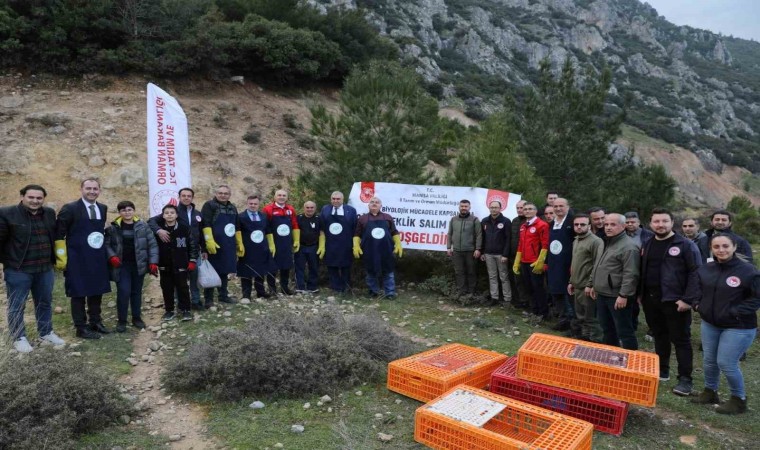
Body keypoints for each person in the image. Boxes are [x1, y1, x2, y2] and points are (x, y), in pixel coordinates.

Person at [691, 233, 760, 414]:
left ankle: (739, 400)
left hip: (739, 326)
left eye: (725, 246)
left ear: (734, 247)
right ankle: (710, 392)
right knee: (709, 360)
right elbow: (697, 288)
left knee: (727, 363)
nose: (721, 250)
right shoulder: (706, 268)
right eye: (716, 247)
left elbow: (756, 298)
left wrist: (735, 311)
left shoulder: (748, 271)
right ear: (711, 249)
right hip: (710, 323)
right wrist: (698, 303)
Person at [640, 208, 701, 395]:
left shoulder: (685, 245)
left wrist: (687, 299)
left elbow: (696, 273)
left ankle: (685, 380)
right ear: (651, 224)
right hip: (651, 300)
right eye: (656, 221)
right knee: (660, 335)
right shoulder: (648, 242)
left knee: (681, 340)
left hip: (676, 301)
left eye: (664, 221)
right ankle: (662, 370)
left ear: (672, 222)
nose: (660, 225)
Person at [0, 184, 65, 352]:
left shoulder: (49, 213)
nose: (35, 201)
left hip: (44, 269)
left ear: (43, 199)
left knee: (44, 302)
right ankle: (18, 337)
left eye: (39, 198)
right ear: (22, 197)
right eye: (31, 197)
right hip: (18, 270)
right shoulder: (7, 213)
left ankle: (46, 332)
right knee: (17, 305)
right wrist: (9, 263)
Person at [55, 177, 111, 339]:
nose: (92, 191)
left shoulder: (103, 207)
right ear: (81, 189)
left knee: (97, 290)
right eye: (89, 188)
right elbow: (59, 234)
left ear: (99, 190)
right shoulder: (70, 208)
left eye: (95, 189)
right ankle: (81, 327)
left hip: (97, 258)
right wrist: (61, 259)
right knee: (78, 293)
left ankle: (95, 321)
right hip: (76, 258)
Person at [105, 201, 158, 332]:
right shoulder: (113, 228)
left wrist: (153, 262)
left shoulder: (143, 226)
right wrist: (112, 256)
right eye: (123, 210)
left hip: (138, 265)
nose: (127, 212)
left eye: (129, 209)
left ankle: (136, 318)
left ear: (133, 211)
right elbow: (106, 245)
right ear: (119, 213)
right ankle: (122, 321)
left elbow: (152, 245)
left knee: (136, 292)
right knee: (123, 292)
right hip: (121, 266)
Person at [149, 187, 205, 310]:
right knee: (177, 280)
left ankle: (195, 301)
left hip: (194, 250)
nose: (186, 198)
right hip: (177, 252)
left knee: (194, 277)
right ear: (179, 197)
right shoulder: (172, 211)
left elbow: (201, 232)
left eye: (189, 196)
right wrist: (158, 230)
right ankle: (179, 303)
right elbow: (151, 221)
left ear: (192, 198)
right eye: (183, 195)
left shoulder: (197, 213)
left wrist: (204, 249)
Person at [589, 213, 639, 350]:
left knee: (624, 331)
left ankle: (632, 361)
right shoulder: (606, 242)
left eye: (613, 224)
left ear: (623, 226)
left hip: (617, 296)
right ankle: (611, 356)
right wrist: (594, 284)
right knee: (607, 329)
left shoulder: (629, 247)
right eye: (606, 224)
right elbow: (600, 266)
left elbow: (631, 274)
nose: (608, 227)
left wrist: (623, 295)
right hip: (602, 294)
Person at [201, 184, 243, 306]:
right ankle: (208, 299)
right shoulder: (209, 205)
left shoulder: (232, 207)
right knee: (211, 272)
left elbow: (237, 226)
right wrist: (209, 241)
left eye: (226, 193)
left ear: (229, 195)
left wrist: (239, 242)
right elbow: (205, 223)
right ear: (216, 194)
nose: (223, 195)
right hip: (214, 245)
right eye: (220, 193)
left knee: (224, 271)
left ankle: (223, 295)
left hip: (228, 245)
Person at [156, 204, 199, 322]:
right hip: (164, 265)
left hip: (181, 264)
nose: (169, 215)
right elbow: (153, 247)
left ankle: (186, 310)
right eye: (167, 213)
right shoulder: (159, 231)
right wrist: (154, 262)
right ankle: (169, 310)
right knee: (167, 288)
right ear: (163, 215)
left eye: (172, 212)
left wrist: (192, 260)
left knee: (183, 287)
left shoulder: (184, 228)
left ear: (176, 215)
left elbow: (192, 245)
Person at [354, 197, 402, 298]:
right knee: (370, 271)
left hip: (386, 249)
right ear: (368, 205)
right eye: (372, 202)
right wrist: (356, 246)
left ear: (381, 205)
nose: (374, 204)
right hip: (369, 249)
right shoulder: (362, 218)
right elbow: (357, 234)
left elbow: (394, 232)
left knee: (388, 271)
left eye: (377, 202)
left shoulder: (387, 217)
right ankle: (373, 291)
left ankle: (390, 292)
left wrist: (398, 244)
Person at [567, 213, 603, 342]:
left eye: (582, 224)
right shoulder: (576, 240)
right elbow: (575, 263)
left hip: (587, 287)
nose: (579, 227)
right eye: (576, 224)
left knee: (591, 318)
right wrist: (571, 281)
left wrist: (590, 284)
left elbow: (597, 265)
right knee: (581, 316)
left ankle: (596, 343)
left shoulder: (596, 242)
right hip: (577, 285)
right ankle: (585, 340)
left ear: (589, 226)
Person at [513, 202, 550, 319]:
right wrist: (517, 261)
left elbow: (545, 244)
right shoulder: (523, 226)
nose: (527, 211)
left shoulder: (542, 225)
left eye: (530, 209)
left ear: (535, 211)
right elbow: (520, 244)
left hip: (535, 262)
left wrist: (541, 262)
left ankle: (544, 313)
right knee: (528, 287)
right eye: (525, 209)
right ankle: (534, 310)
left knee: (538, 288)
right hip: (524, 261)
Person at [237, 195, 276, 300]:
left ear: (259, 205)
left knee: (261, 271)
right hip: (247, 249)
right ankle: (246, 294)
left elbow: (268, 231)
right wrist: (239, 245)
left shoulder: (263, 216)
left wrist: (271, 245)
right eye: (251, 203)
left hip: (262, 248)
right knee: (246, 272)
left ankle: (261, 292)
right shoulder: (240, 217)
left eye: (255, 204)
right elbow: (238, 232)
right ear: (247, 203)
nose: (253, 206)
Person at [262, 190, 300, 295]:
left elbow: (295, 224)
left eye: (284, 195)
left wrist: (296, 240)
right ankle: (272, 289)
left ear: (287, 198)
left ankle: (284, 288)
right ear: (275, 197)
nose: (281, 197)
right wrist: (269, 242)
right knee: (272, 266)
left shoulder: (290, 209)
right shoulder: (268, 209)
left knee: (286, 266)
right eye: (279, 195)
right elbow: (265, 227)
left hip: (287, 242)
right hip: (273, 243)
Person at [319, 191, 357, 293]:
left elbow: (355, 228)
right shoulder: (325, 209)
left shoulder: (351, 210)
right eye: (333, 199)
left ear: (342, 199)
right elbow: (322, 227)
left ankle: (346, 288)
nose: (335, 201)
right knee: (331, 266)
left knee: (346, 267)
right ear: (331, 199)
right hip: (330, 243)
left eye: (338, 199)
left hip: (346, 243)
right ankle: (336, 288)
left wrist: (355, 245)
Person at [547, 198, 574, 331]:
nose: (558, 208)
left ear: (567, 207)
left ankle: (572, 322)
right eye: (555, 206)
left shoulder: (573, 222)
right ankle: (562, 319)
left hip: (568, 262)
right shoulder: (552, 223)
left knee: (568, 293)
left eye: (561, 206)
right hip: (554, 262)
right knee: (556, 290)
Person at [447, 200, 482, 298]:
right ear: (459, 207)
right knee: (459, 272)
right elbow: (450, 234)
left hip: (470, 250)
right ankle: (461, 291)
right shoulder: (453, 219)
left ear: (469, 207)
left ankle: (471, 292)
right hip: (457, 251)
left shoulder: (475, 220)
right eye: (462, 206)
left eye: (466, 206)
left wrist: (478, 248)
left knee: (471, 271)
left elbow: (479, 234)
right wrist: (449, 247)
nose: (464, 208)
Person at [480, 200, 512, 304]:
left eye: (496, 207)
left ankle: (507, 298)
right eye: (492, 207)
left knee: (504, 277)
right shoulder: (485, 221)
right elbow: (483, 238)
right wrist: (482, 252)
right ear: (489, 208)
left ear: (500, 208)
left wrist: (505, 254)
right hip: (488, 254)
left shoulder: (506, 221)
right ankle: (494, 297)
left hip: (501, 255)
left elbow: (508, 239)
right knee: (492, 276)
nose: (493, 209)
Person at [295, 201, 322, 294]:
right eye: (307, 207)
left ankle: (312, 287)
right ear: (304, 208)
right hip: (301, 247)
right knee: (299, 267)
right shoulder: (299, 218)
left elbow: (322, 232)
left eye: (312, 207)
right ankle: (300, 287)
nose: (309, 209)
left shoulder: (319, 218)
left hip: (313, 247)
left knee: (314, 267)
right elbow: (294, 230)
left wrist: (322, 246)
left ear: (315, 208)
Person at [510, 200, 529, 308]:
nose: (519, 210)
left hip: (527, 257)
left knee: (527, 281)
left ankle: (530, 302)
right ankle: (522, 301)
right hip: (514, 256)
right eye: (517, 208)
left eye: (522, 208)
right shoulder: (515, 221)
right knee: (518, 280)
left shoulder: (531, 221)